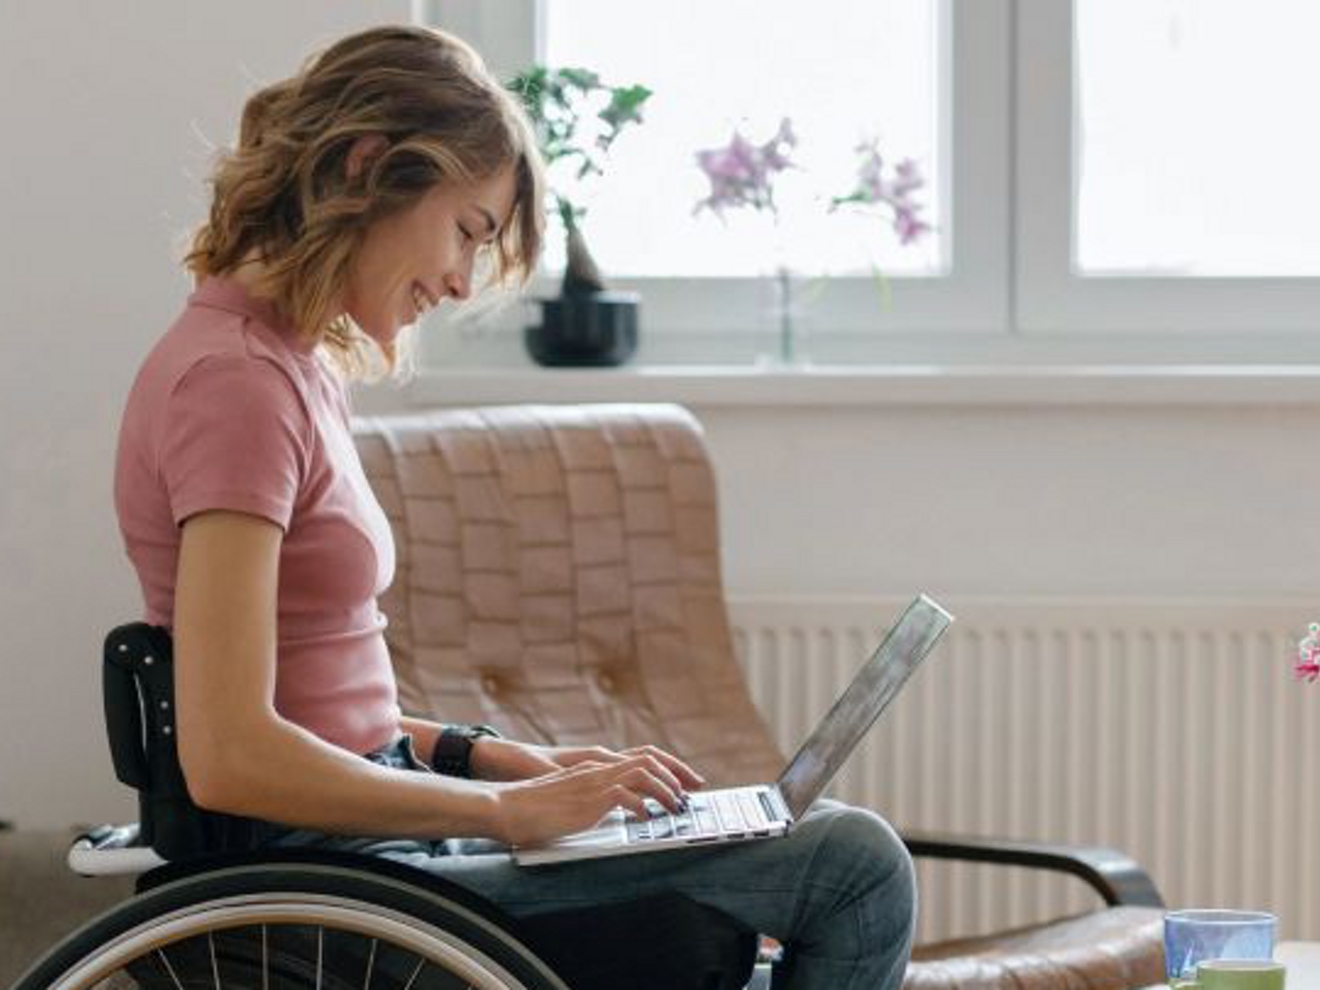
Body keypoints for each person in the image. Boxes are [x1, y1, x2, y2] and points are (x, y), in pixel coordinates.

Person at [112, 24, 916, 990]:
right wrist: (504, 815)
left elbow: (328, 712)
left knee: (796, 863)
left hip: (377, 846)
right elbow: (231, 754)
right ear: (368, 167)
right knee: (852, 869)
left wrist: (509, 762)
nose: (461, 280)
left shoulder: (289, 369)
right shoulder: (234, 385)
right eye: (467, 229)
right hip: (347, 882)